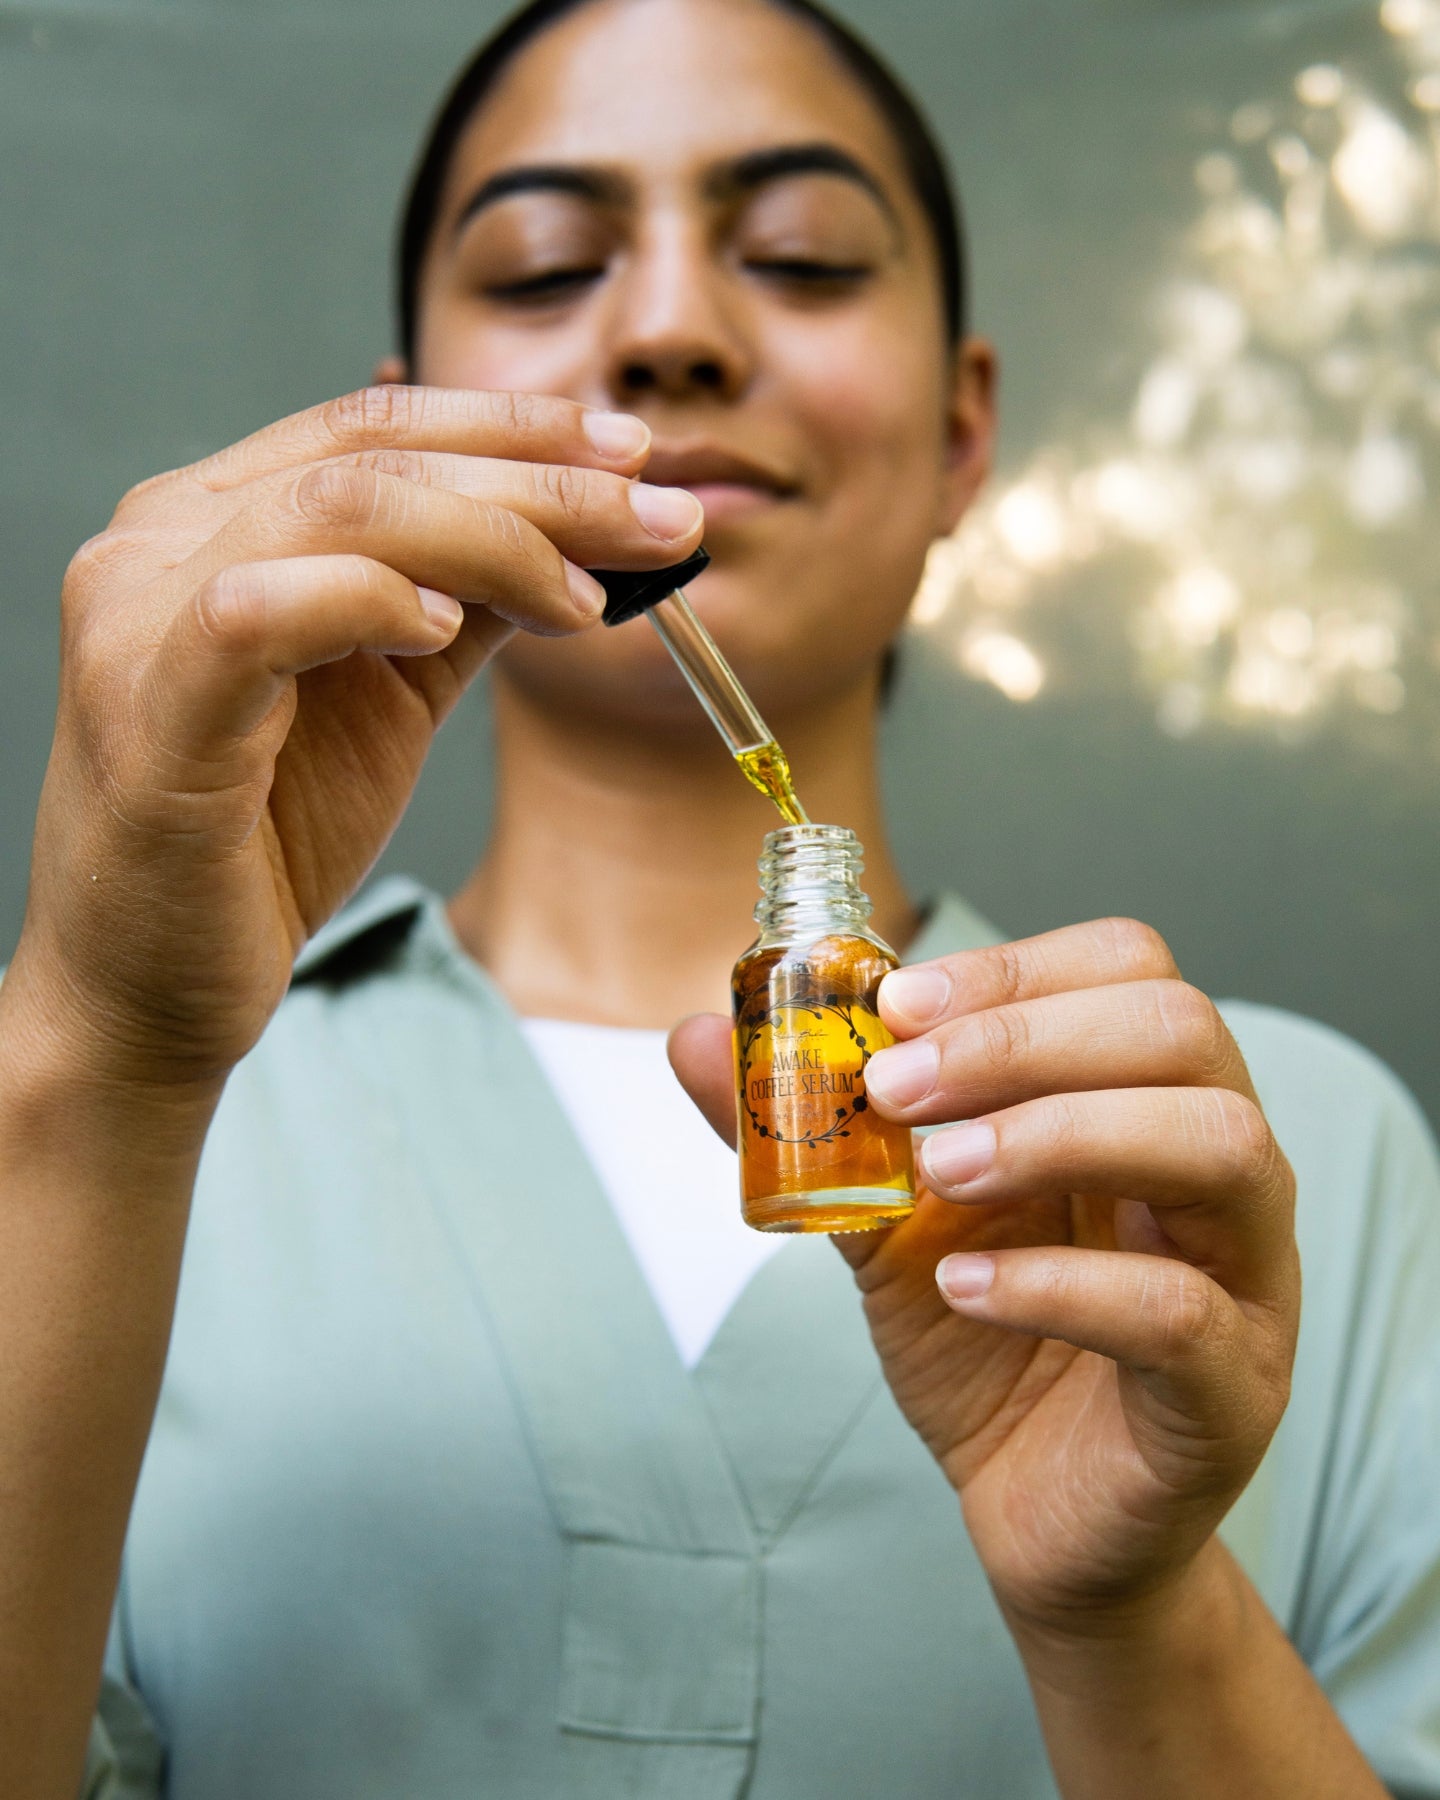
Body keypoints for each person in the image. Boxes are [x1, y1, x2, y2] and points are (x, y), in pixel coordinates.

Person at [2, 0, 1437, 1794]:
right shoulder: (125, 1121)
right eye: (541, 268)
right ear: (402, 427)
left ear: (962, 436)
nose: (670, 330)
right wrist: (101, 1058)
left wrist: (1144, 1620)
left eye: (801, 257)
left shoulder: (1273, 1155)